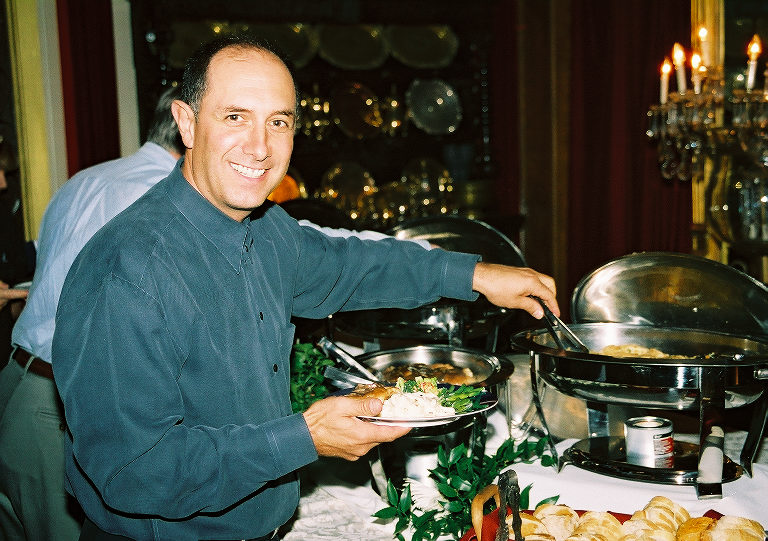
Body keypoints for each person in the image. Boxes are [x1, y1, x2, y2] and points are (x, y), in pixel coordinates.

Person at [51, 35, 558, 540]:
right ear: (186, 122)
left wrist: (473, 275)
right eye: (235, 117)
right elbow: (136, 472)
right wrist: (304, 438)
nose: (259, 147)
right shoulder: (128, 270)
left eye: (278, 122)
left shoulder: (265, 226)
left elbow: (351, 265)